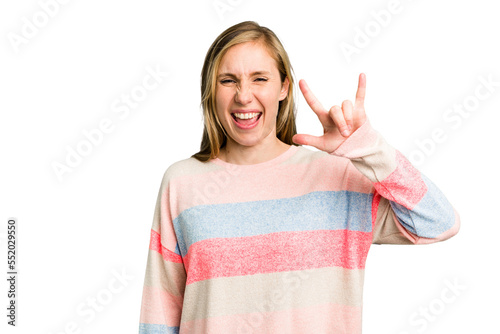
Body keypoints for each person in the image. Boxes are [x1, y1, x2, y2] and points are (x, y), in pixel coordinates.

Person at [138, 21, 460, 334]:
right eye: (228, 80)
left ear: (283, 88)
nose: (243, 96)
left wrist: (370, 149)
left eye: (259, 78)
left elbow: (439, 222)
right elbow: (160, 314)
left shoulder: (337, 176)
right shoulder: (182, 183)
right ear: (210, 90)